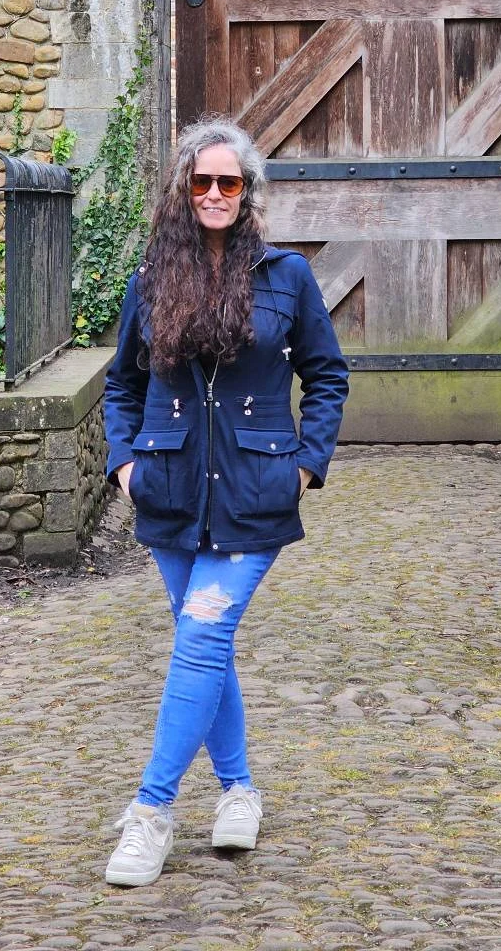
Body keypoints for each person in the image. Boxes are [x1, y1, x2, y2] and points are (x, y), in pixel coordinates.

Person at [102, 116, 349, 886]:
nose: (215, 193)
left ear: (249, 194)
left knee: (202, 636)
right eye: (202, 181)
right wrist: (124, 467)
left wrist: (305, 467)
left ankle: (151, 812)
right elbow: (123, 383)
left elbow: (328, 375)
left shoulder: (288, 277)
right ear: (184, 188)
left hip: (256, 491)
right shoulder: (151, 279)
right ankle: (239, 791)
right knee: (202, 647)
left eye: (229, 183)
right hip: (169, 490)